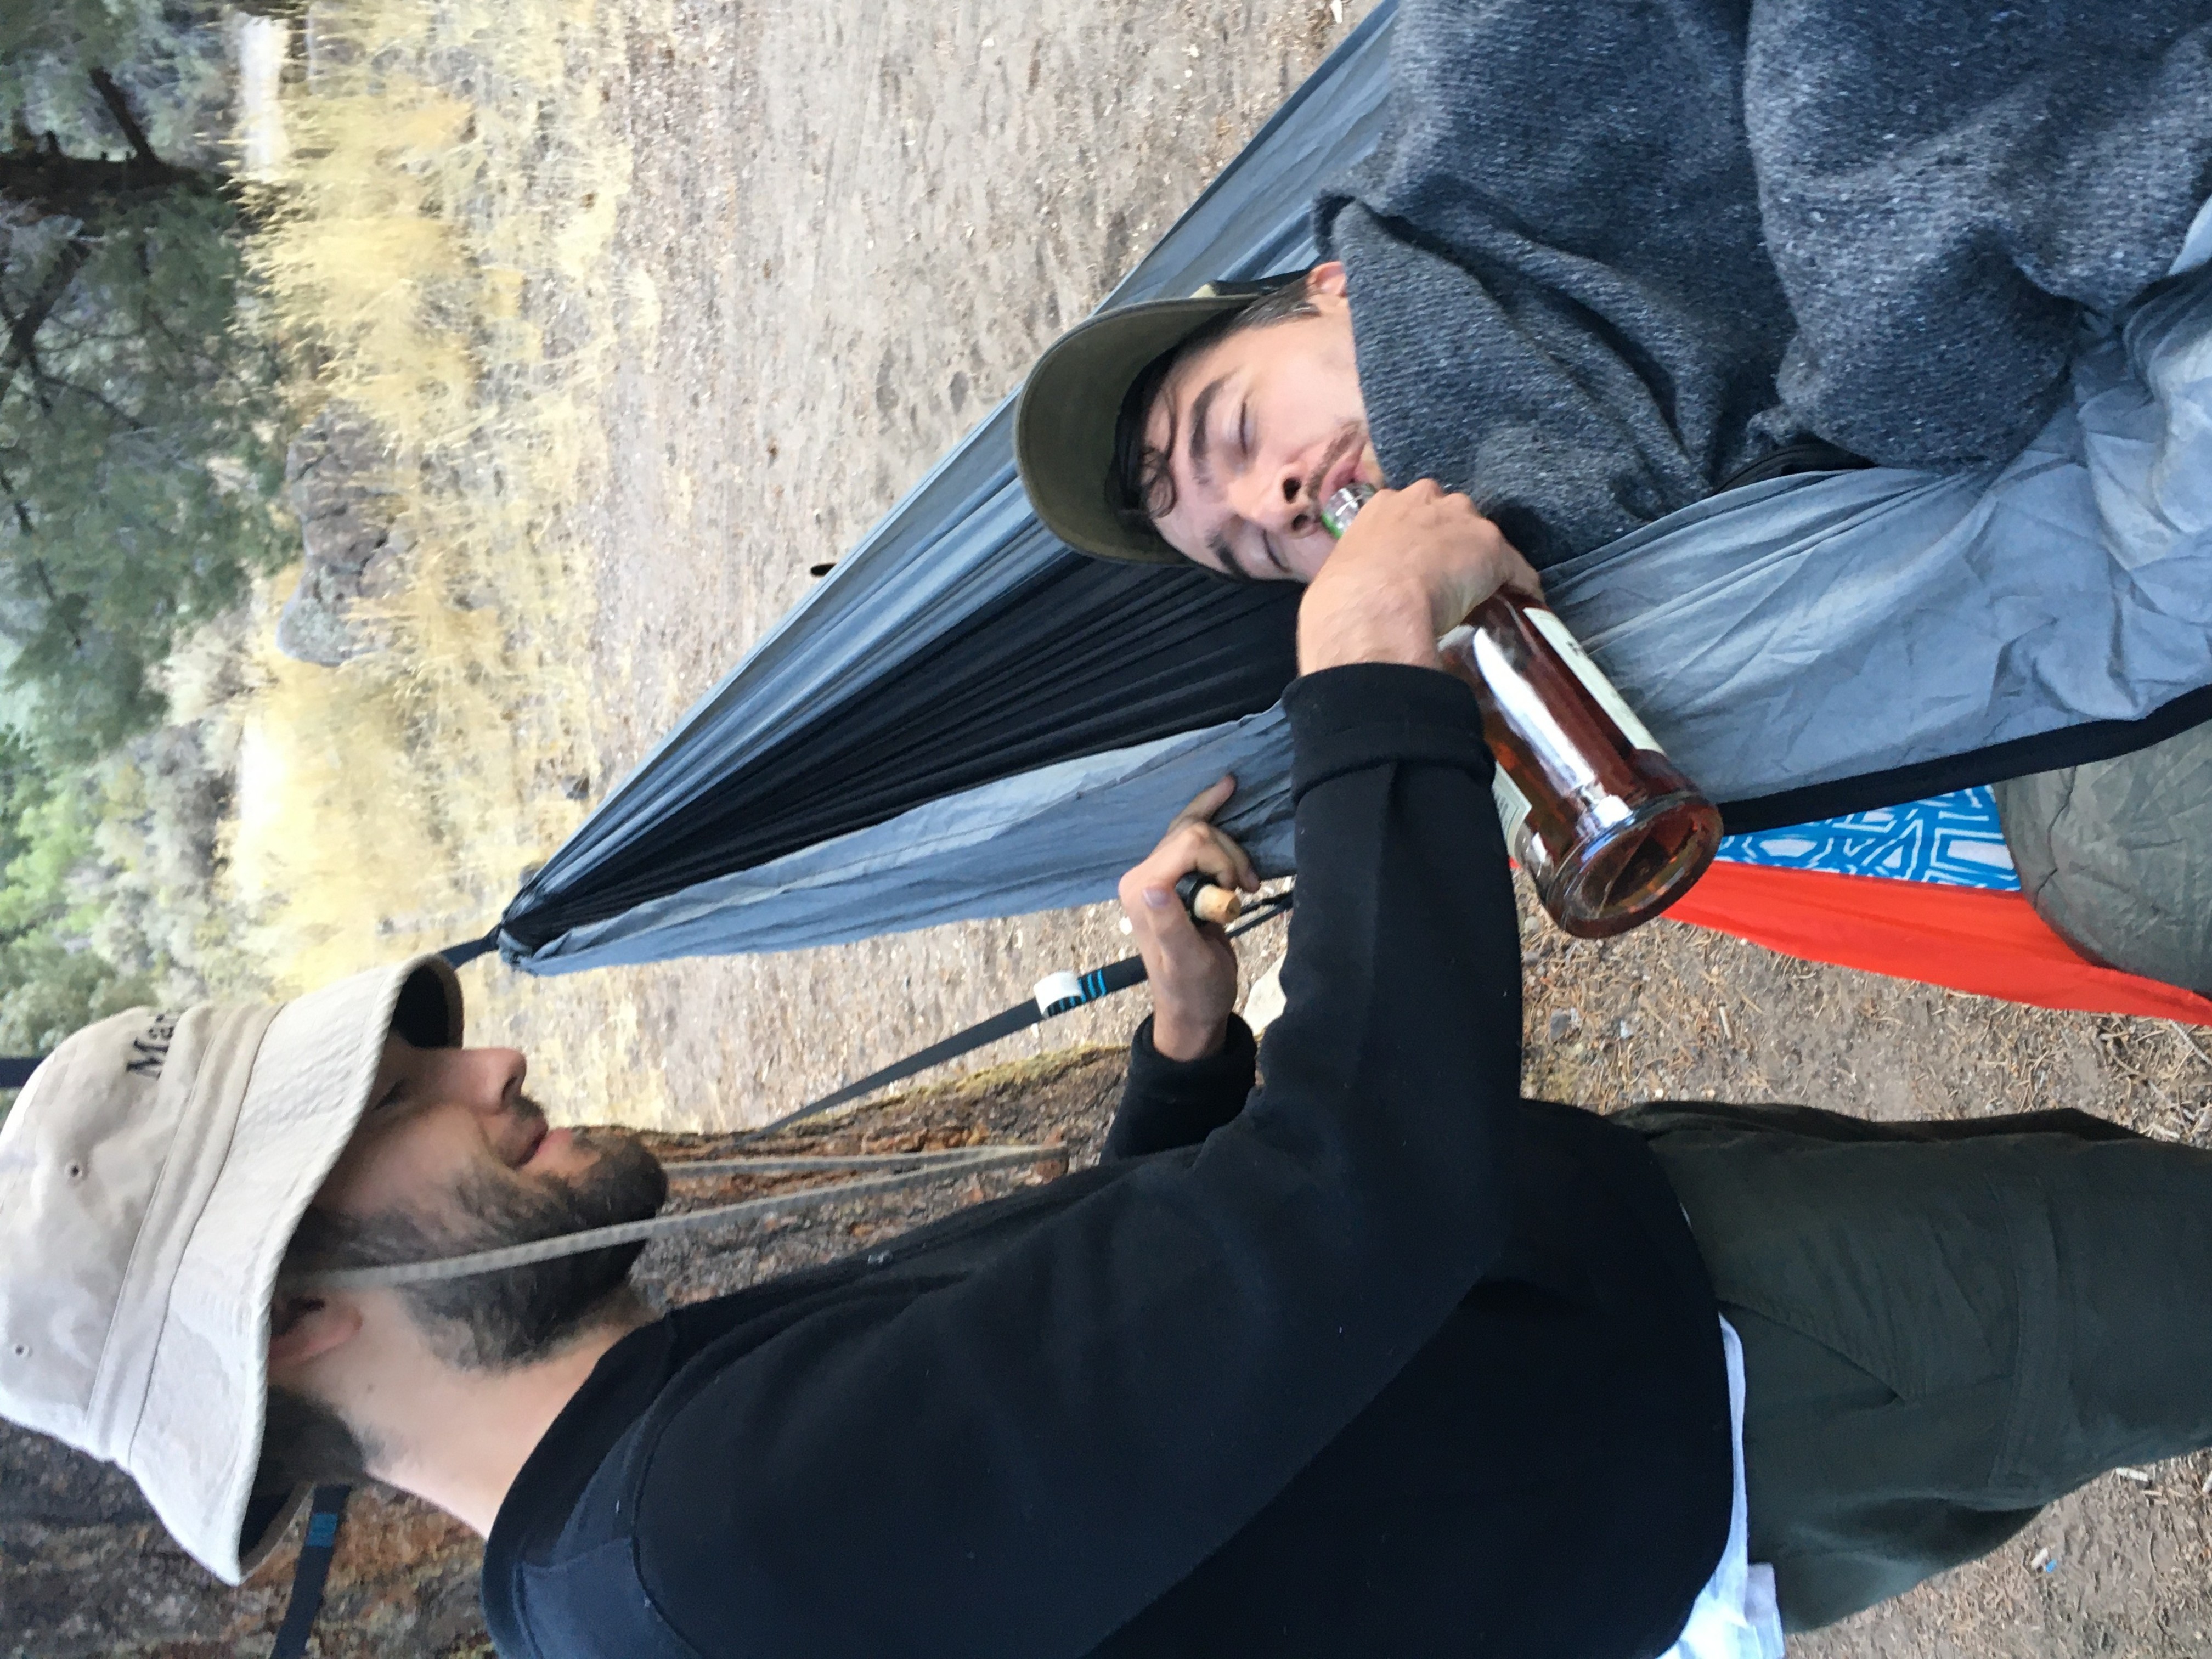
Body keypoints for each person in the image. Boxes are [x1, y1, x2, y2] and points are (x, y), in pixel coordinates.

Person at [7, 495, 2212, 1657]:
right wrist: (1366, 674)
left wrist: (1178, 1062)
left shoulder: (627, 1515)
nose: (483, 1064)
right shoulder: (717, 1552)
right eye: (389, 1113)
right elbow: (1370, 1201)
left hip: (1642, 1322)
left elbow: (1115, 1376)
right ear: (302, 1315)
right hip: (1741, 1380)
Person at [1012, 0, 2212, 575]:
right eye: (1260, 553)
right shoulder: (1602, 611)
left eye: (1233, 429)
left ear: (1329, 287)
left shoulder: (1477, 100)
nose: (1275, 499)